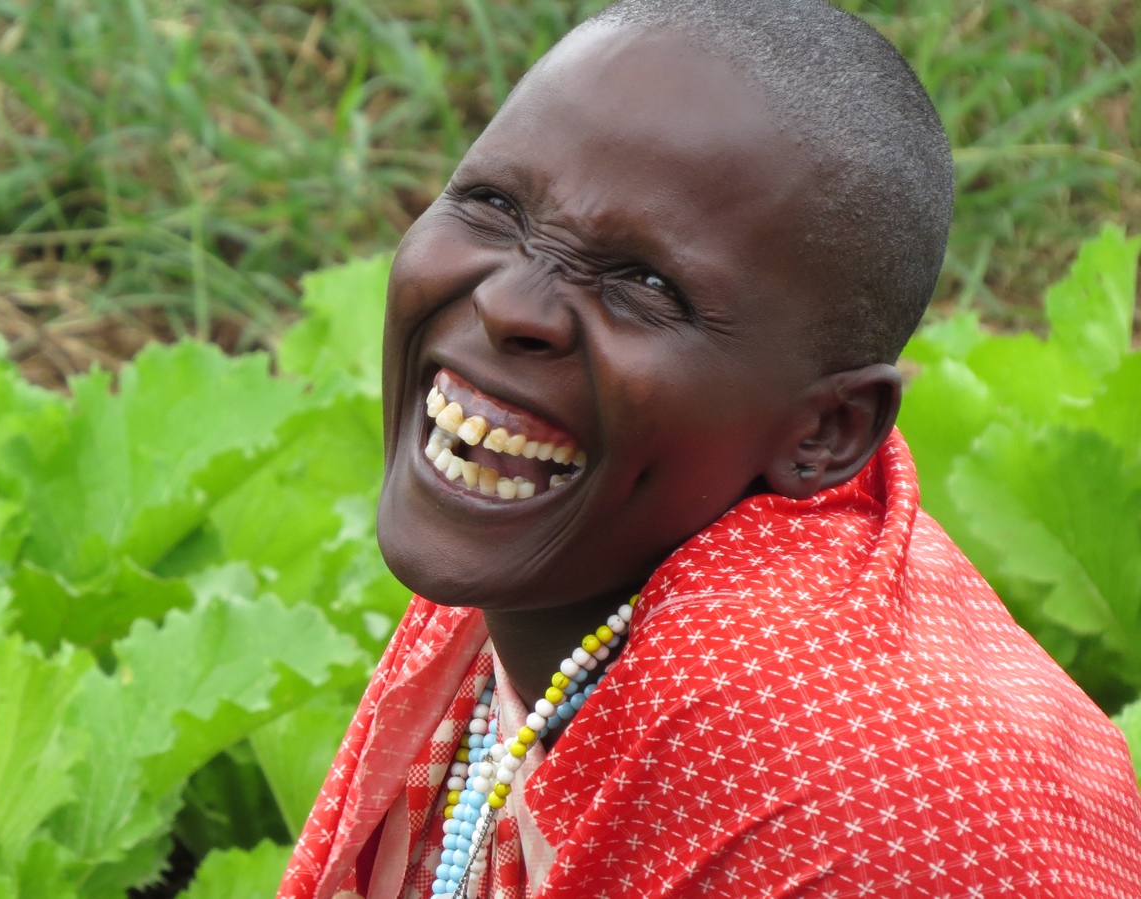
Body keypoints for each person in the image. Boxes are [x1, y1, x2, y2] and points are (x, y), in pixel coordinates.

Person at [277, 1, 1141, 897]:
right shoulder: (575, 552)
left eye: (645, 284)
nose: (511, 306)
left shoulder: (823, 787)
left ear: (829, 430)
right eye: (495, 205)